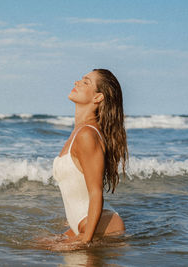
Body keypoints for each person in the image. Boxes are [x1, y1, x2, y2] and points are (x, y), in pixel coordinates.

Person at [52, 69, 128, 250]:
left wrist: (86, 241)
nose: (76, 82)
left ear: (98, 98)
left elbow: (96, 192)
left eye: (86, 82)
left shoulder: (87, 134)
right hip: (83, 225)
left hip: (98, 229)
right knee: (26, 249)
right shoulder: (79, 131)